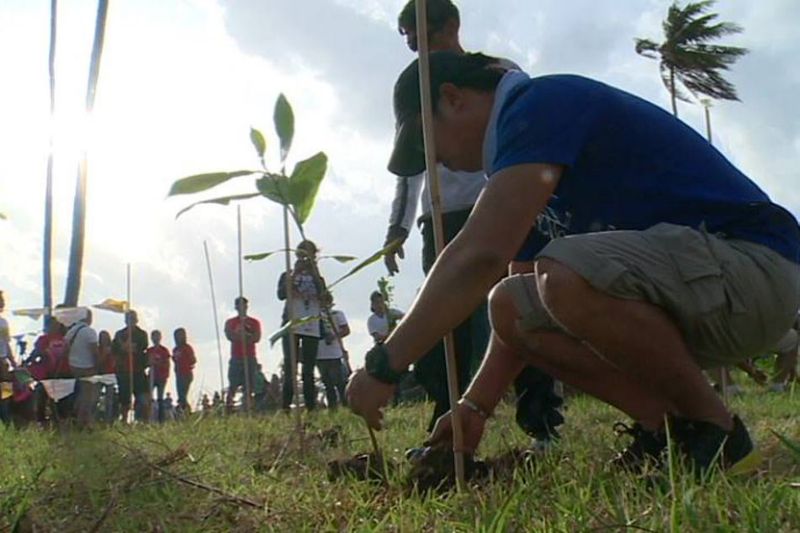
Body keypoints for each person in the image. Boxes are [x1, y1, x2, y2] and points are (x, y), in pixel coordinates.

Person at [348, 51, 800, 476]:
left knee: (563, 271)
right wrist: (474, 406)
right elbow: (514, 311)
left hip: (753, 268)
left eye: (427, 143)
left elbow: (480, 255)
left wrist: (385, 365)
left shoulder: (539, 104)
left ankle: (716, 430)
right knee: (511, 300)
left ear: (452, 98)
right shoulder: (526, 167)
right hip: (696, 287)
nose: (435, 161)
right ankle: (667, 431)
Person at [385, 0, 564, 443]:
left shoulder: (496, 75)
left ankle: (540, 421)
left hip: (499, 205)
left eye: (423, 35)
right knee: (443, 322)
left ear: (451, 26)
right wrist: (398, 227)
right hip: (440, 218)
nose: (416, 47)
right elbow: (410, 170)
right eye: (408, 41)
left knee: (523, 304)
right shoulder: (415, 88)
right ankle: (447, 422)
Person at [278, 241, 324, 411]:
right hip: (292, 324)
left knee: (309, 369)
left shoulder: (318, 278)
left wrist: (315, 271)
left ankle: (311, 408)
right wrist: (295, 272)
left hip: (311, 325)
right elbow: (281, 294)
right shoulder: (287, 274)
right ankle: (285, 407)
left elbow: (324, 296)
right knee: (290, 367)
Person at [224, 296, 261, 409]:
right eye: (239, 305)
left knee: (249, 386)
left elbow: (256, 338)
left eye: (244, 305)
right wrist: (244, 337)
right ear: (236, 307)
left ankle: (248, 408)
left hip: (250, 356)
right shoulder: (230, 322)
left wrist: (243, 337)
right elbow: (230, 336)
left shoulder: (254, 322)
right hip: (236, 356)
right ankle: (229, 407)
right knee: (233, 385)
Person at [112, 310, 149, 422]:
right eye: (128, 318)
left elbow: (143, 346)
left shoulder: (142, 334)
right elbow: (114, 349)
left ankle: (144, 420)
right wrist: (123, 348)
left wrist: (130, 347)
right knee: (124, 397)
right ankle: (124, 420)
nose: (131, 320)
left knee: (142, 396)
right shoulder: (119, 334)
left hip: (137, 369)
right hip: (123, 370)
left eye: (133, 318)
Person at [65, 308, 99, 429]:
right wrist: (97, 366)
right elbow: (94, 351)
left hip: (73, 366)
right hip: (87, 367)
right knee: (88, 396)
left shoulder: (71, 331)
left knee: (80, 394)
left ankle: (79, 418)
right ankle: (84, 422)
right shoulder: (89, 332)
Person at [316, 300, 351, 409]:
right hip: (320, 353)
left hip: (334, 353)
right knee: (327, 384)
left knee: (340, 382)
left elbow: (346, 330)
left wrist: (334, 336)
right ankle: (333, 407)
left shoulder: (337, 314)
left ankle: (346, 405)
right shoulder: (314, 317)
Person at [146, 330, 171, 422]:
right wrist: (150, 362)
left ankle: (161, 419)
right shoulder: (150, 350)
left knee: (160, 397)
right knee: (149, 397)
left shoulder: (164, 350)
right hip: (152, 376)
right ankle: (149, 418)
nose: (155, 338)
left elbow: (167, 363)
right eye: (153, 336)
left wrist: (165, 374)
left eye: (157, 336)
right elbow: (146, 362)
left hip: (161, 376)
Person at [172, 327, 196, 413]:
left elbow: (193, 360)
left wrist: (187, 363)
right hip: (178, 374)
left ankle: (187, 411)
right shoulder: (175, 349)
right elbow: (174, 359)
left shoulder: (187, 347)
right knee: (180, 394)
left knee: (182, 395)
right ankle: (183, 411)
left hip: (186, 373)